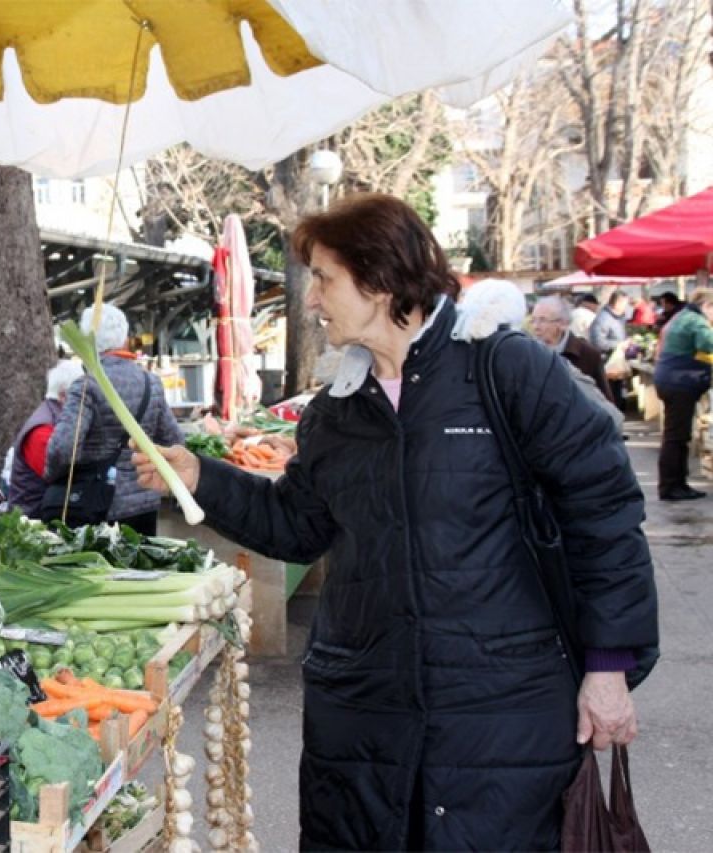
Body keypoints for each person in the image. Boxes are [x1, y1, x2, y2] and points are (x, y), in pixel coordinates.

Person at [133, 194, 658, 850]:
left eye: (324, 279)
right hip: (364, 720)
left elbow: (603, 510)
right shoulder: (336, 413)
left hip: (501, 715)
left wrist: (608, 664)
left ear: (379, 280)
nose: (313, 300)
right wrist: (202, 478)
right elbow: (296, 525)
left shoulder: (507, 371)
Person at [46, 305, 183, 535]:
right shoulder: (151, 383)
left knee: (99, 569)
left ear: (87, 339)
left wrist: (50, 475)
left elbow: (62, 448)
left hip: (97, 505)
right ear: (124, 338)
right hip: (144, 503)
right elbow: (175, 440)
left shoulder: (86, 385)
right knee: (142, 568)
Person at [652, 288, 713, 501]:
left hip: (670, 380)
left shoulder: (681, 316)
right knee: (677, 436)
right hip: (680, 383)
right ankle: (671, 486)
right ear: (707, 306)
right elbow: (708, 343)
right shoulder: (696, 321)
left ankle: (676, 483)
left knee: (675, 435)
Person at [8, 360, 83, 516]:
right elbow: (60, 475)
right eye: (82, 395)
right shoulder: (42, 430)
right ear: (64, 396)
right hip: (34, 520)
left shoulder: (53, 419)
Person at [530, 295, 613, 400]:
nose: (535, 327)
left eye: (542, 320)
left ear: (563, 323)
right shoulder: (529, 353)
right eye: (533, 320)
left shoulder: (588, 354)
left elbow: (605, 400)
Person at [589, 290, 633, 410]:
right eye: (625, 303)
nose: (627, 307)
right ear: (618, 303)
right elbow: (597, 342)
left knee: (616, 396)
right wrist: (619, 344)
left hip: (616, 364)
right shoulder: (603, 319)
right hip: (606, 364)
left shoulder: (619, 318)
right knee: (610, 397)